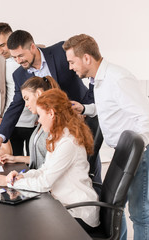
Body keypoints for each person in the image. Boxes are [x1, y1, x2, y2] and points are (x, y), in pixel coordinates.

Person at [63, 34, 149, 240]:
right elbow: (108, 108)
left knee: (139, 214)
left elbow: (145, 117)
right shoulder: (99, 80)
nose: (70, 67)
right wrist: (85, 108)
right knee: (115, 208)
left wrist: (136, 150)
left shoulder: (118, 78)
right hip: (122, 153)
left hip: (138, 154)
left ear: (86, 58)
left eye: (71, 61)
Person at [0, 88, 100, 230]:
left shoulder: (68, 143)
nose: (38, 120)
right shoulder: (58, 137)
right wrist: (22, 176)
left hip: (78, 213)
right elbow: (44, 170)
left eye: (40, 115)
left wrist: (10, 183)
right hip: (63, 205)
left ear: (51, 113)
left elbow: (44, 183)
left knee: (25, 225)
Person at [0, 29, 95, 159]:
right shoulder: (19, 75)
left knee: (89, 162)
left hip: (83, 119)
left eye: (21, 55)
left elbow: (91, 71)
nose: (18, 61)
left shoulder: (60, 51)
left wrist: (85, 106)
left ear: (32, 47)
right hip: (55, 129)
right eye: (14, 57)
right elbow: (15, 106)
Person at [0, 23, 37, 156]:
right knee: (12, 161)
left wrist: (43, 113)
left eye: (2, 45)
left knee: (36, 161)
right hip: (11, 120)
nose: (0, 51)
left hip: (36, 120)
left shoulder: (34, 52)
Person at [0, 75, 59, 170]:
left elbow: (50, 166)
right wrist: (15, 158)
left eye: (27, 99)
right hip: (38, 177)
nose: (26, 105)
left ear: (38, 93)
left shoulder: (54, 124)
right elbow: (41, 159)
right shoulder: (41, 123)